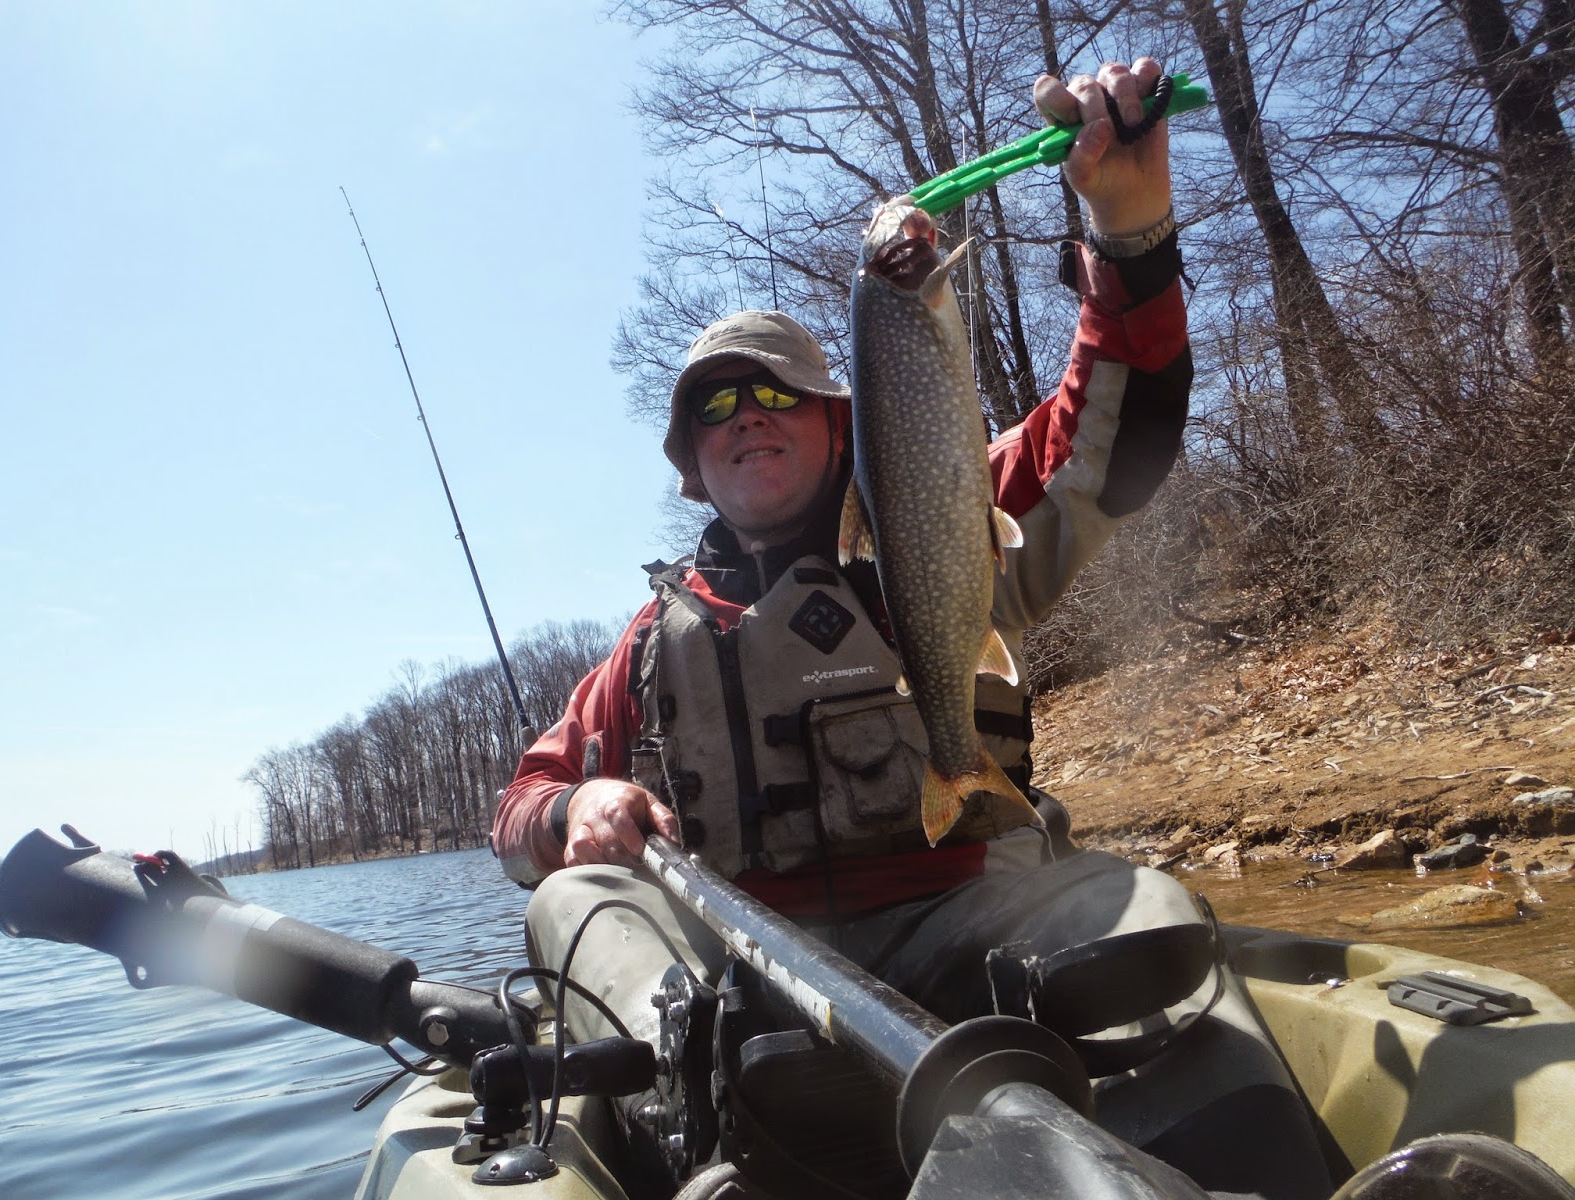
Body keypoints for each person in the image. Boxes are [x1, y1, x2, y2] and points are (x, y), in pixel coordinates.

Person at [494, 60, 1331, 1200]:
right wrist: (571, 808)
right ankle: (725, 1126)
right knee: (568, 899)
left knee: (1132, 904)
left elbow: (1109, 439)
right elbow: (517, 812)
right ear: (692, 465)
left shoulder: (944, 507)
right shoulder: (648, 646)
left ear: (837, 424)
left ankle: (1237, 1167)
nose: (746, 418)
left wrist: (1128, 235)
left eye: (774, 393)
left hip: (972, 918)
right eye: (715, 410)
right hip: (753, 975)